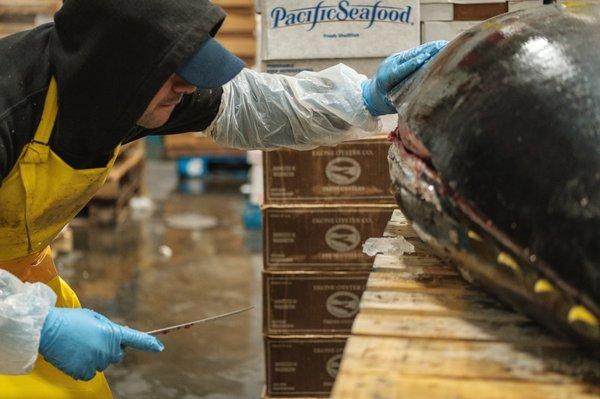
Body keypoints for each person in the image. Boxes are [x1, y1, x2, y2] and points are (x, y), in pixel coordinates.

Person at [0, 0, 446, 397]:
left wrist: (363, 97)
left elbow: (248, 104)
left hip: (27, 288)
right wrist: (38, 327)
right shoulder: (11, 107)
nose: (188, 88)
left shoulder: (117, 89)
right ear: (118, 65)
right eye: (174, 75)